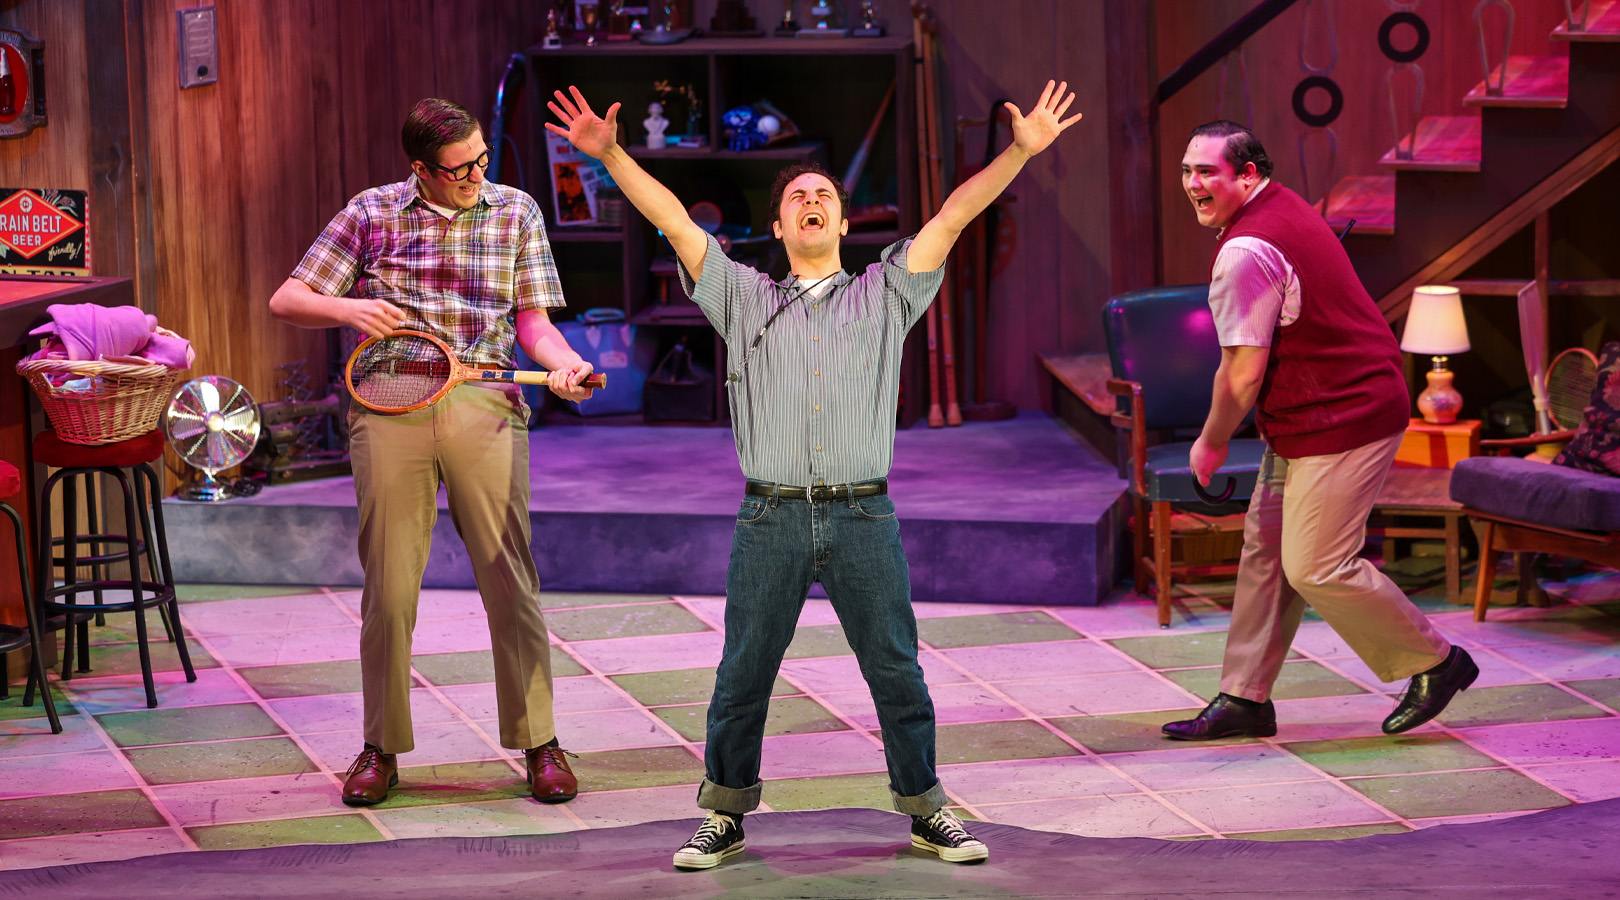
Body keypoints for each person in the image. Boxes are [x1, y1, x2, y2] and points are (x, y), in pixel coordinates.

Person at [547, 80, 1081, 870]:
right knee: (743, 672)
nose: (811, 201)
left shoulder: (887, 292)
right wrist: (612, 155)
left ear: (842, 221)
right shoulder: (742, 296)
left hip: (864, 516)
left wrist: (1021, 153)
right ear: (778, 226)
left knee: (896, 668)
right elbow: (674, 221)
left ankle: (926, 808)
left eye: (823, 194)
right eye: (797, 195)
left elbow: (953, 217)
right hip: (772, 517)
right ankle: (724, 812)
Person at [268, 97, 597, 807]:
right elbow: (287, 299)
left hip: (484, 398)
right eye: (459, 169)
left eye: (482, 160)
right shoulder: (372, 212)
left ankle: (540, 740)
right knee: (389, 584)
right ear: (421, 169)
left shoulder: (516, 212)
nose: (477, 175)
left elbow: (534, 323)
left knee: (510, 575)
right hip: (391, 399)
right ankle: (380, 746)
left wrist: (565, 363)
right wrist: (347, 308)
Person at [1162, 121, 1478, 743]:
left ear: (1247, 175)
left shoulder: (1246, 250)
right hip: (1307, 416)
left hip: (1344, 415)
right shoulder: (1279, 207)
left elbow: (1241, 374)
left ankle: (1437, 662)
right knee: (1266, 553)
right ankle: (1245, 698)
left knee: (1316, 565)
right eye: (1187, 171)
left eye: (1207, 172)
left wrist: (1212, 440)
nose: (1193, 184)